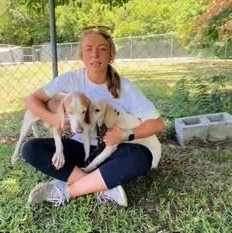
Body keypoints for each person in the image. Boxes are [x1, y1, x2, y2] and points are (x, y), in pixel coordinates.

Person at [22, 26, 164, 207]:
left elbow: (158, 124)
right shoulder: (71, 79)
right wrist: (53, 119)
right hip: (80, 146)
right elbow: (32, 100)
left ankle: (68, 190)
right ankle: (100, 185)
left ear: (110, 54)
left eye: (102, 49)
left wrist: (124, 135)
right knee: (31, 149)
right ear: (81, 54)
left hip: (110, 151)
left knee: (142, 156)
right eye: (89, 49)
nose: (95, 55)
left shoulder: (124, 87)